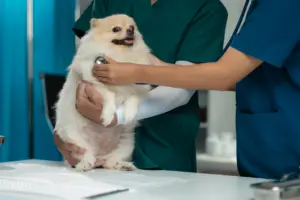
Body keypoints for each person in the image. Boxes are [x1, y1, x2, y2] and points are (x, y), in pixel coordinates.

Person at [91, 0, 300, 179]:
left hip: (287, 152)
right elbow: (237, 77)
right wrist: (152, 64)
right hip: (269, 154)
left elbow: (226, 75)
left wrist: (135, 73)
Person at [54, 0, 228, 172]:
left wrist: (119, 115)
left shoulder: (205, 8)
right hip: (91, 147)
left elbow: (184, 85)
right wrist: (65, 130)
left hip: (163, 151)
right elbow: (85, 64)